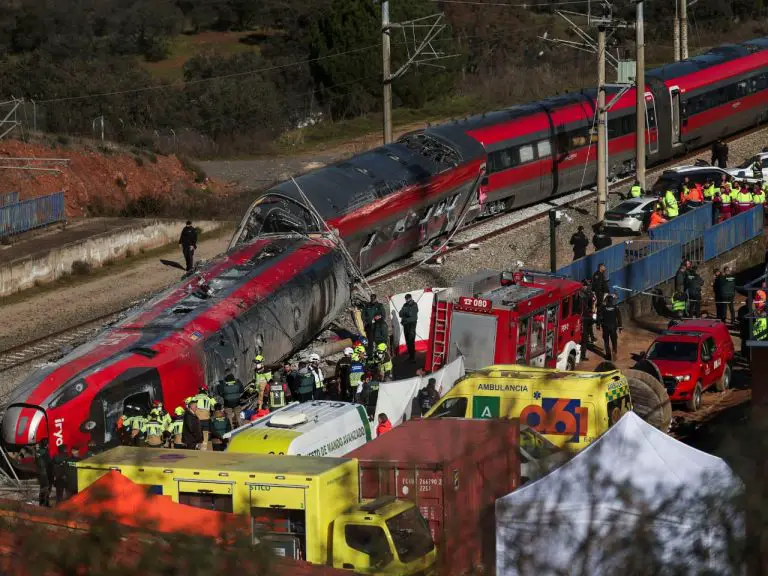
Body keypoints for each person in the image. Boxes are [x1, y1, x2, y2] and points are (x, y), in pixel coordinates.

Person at [599, 293, 622, 361]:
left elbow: (600, 317)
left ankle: (608, 355)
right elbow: (619, 318)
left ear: (606, 301)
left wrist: (599, 324)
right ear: (612, 301)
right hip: (613, 328)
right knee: (614, 340)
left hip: (605, 327)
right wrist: (620, 327)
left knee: (606, 341)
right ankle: (614, 351)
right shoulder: (615, 308)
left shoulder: (603, 308)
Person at [192, 385, 214, 450]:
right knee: (205, 432)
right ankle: (204, 446)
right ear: (205, 391)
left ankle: (197, 444)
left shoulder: (194, 398)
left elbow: (189, 407)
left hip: (197, 418)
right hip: (206, 418)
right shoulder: (209, 398)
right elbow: (215, 406)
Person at [399, 294, 419, 362]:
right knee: (407, 341)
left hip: (412, 325)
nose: (406, 300)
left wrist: (405, 312)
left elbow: (410, 314)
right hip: (406, 325)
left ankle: (413, 357)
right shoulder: (405, 305)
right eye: (406, 298)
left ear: (410, 298)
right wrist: (405, 312)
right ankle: (410, 356)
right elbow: (400, 314)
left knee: (411, 341)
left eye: (407, 298)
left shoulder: (414, 304)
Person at [579, 281, 595, 361]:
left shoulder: (579, 294)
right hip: (584, 319)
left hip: (582, 318)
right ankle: (582, 356)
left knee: (584, 338)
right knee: (584, 339)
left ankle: (592, 338)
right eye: (586, 286)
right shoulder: (586, 296)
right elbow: (591, 306)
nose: (587, 287)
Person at [35, 440, 53, 507]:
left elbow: (37, 461)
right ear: (47, 445)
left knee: (42, 488)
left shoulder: (39, 451)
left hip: (40, 472)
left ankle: (42, 503)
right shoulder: (45, 452)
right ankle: (45, 504)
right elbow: (49, 463)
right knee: (46, 488)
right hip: (45, 472)